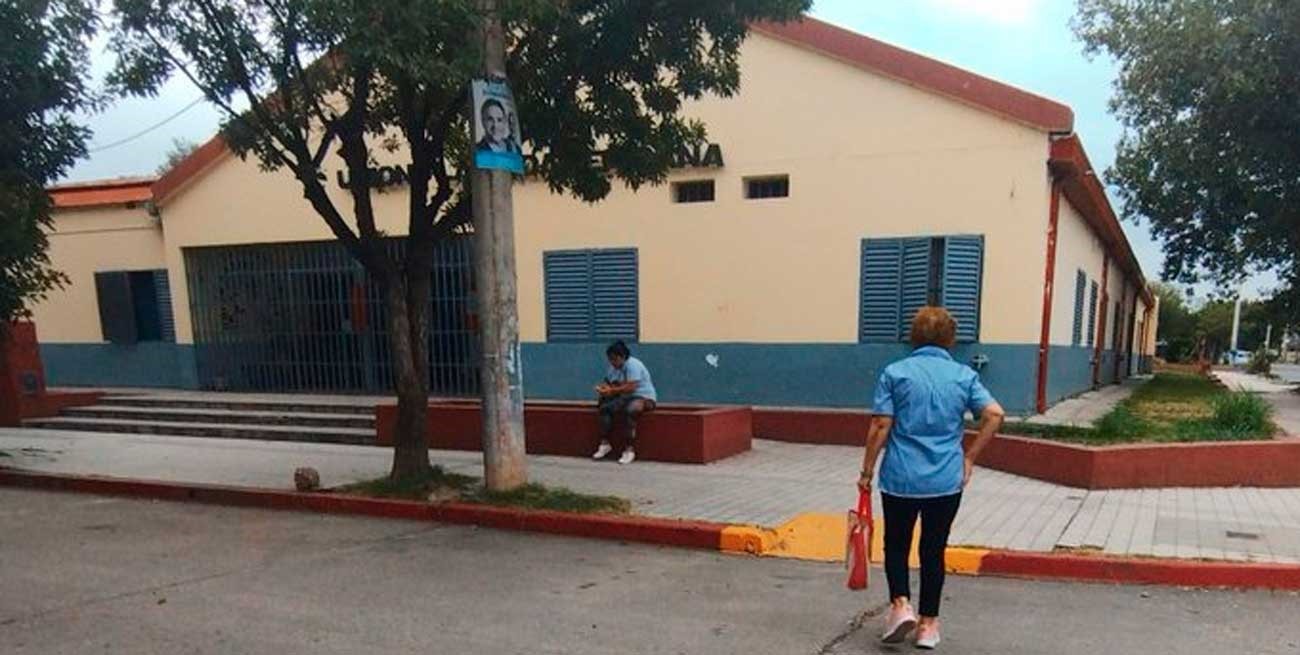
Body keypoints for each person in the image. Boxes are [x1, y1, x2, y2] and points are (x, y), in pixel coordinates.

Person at [858, 306, 1005, 650]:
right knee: (933, 549)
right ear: (950, 339)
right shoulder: (963, 376)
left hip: (900, 478)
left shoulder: (895, 373)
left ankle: (900, 606)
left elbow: (881, 425)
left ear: (914, 336)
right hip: (945, 479)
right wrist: (968, 458)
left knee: (897, 543)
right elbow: (995, 415)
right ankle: (928, 626)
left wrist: (866, 472)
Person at [592, 340, 657, 465]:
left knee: (631, 410)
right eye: (610, 359)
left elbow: (631, 387)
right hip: (624, 398)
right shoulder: (612, 368)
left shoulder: (633, 365)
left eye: (615, 359)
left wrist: (612, 390)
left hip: (643, 397)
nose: (612, 363)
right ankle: (605, 443)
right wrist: (603, 389)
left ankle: (629, 450)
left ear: (622, 357)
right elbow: (609, 383)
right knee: (605, 407)